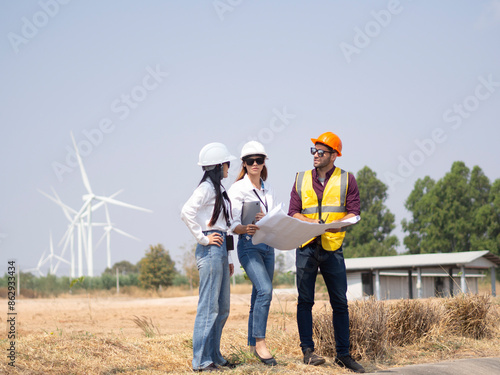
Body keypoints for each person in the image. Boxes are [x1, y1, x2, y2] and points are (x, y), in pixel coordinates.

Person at [288, 132, 365, 373]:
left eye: (321, 152)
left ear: (334, 155)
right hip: (307, 246)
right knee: (305, 301)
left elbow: (354, 212)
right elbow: (293, 212)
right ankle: (307, 352)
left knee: (340, 303)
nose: (316, 155)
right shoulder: (300, 178)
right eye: (313, 151)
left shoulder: (347, 179)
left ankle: (343, 355)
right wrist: (310, 222)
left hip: (332, 247)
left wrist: (336, 224)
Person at [181, 142, 237, 372]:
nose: (229, 167)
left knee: (222, 307)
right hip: (211, 247)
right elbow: (186, 212)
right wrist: (203, 239)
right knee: (209, 307)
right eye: (227, 163)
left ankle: (214, 356)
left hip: (221, 248)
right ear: (217, 165)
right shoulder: (205, 188)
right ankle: (201, 361)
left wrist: (230, 258)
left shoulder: (218, 189)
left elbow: (226, 225)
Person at [228, 141, 278, 366]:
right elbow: (231, 224)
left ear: (264, 161)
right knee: (266, 290)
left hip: (268, 245)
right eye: (250, 161)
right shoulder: (237, 189)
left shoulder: (267, 189)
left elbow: (271, 221)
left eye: (259, 159)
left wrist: (266, 219)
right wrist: (246, 226)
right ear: (244, 164)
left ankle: (250, 347)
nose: (255, 164)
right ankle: (260, 343)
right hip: (248, 244)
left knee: (258, 295)